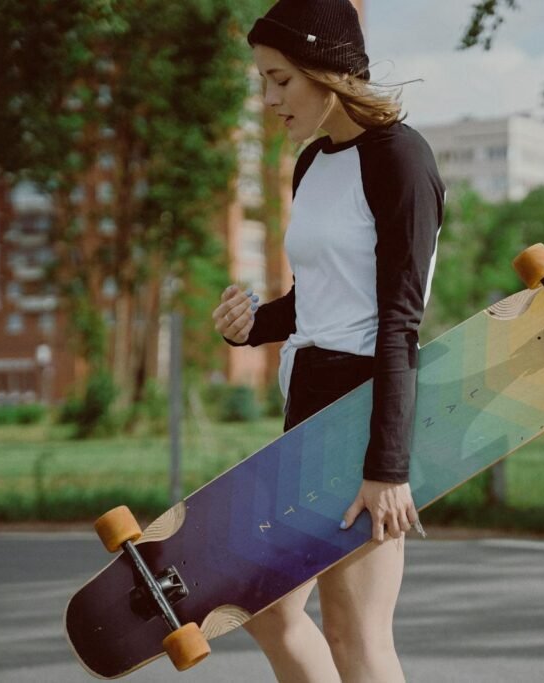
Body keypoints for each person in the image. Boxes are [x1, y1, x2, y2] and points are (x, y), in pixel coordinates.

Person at [212, 0, 444, 680]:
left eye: (280, 78)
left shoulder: (401, 158)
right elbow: (316, 299)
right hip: (306, 406)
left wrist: (388, 466)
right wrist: (253, 325)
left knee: (357, 633)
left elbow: (401, 320)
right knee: (267, 607)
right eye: (262, 80)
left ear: (327, 70)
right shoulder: (313, 163)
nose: (268, 97)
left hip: (363, 410)